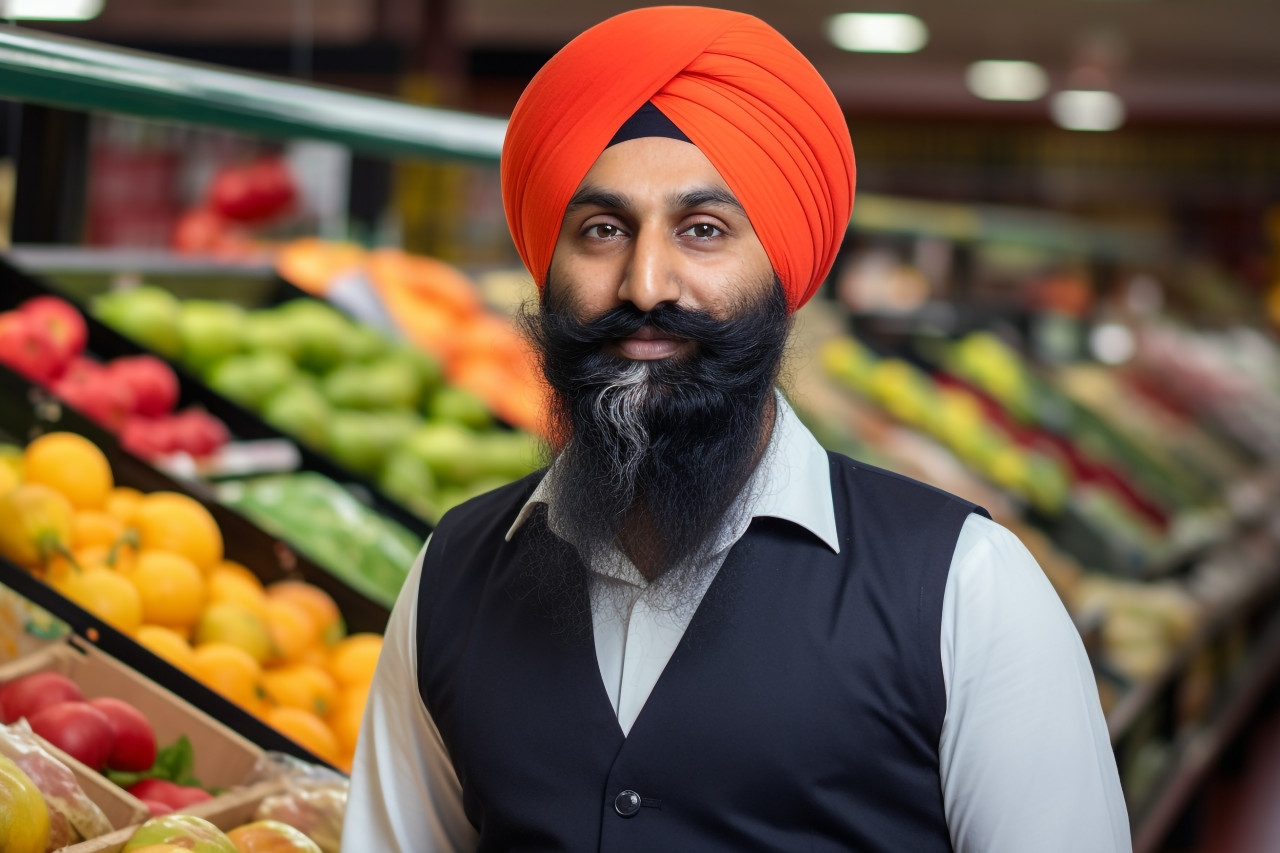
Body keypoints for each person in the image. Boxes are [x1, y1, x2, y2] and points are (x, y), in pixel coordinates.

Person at [343, 7, 1130, 852]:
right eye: (602, 229)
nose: (646, 283)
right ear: (548, 267)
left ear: (783, 273)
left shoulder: (968, 590)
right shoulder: (451, 577)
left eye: (704, 230)